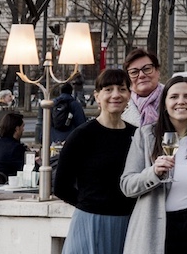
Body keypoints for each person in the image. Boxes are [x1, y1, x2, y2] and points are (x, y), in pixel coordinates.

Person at [120, 73, 187, 254]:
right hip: (155, 231)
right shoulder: (146, 136)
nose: (181, 101)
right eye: (174, 97)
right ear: (164, 103)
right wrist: (153, 173)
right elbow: (127, 185)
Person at [54, 67, 138, 254]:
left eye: (122, 89)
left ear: (129, 95)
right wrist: (90, 205)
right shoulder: (82, 135)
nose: (115, 95)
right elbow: (61, 186)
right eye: (108, 89)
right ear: (97, 96)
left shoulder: (136, 135)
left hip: (128, 223)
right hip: (90, 222)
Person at [124, 48, 164, 127]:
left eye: (147, 69)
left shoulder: (174, 99)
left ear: (157, 71)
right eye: (134, 72)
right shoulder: (120, 104)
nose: (141, 75)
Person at [0, 111, 28, 180]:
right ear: (17, 129)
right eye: (22, 126)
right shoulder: (16, 148)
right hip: (6, 182)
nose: (23, 130)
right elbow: (26, 170)